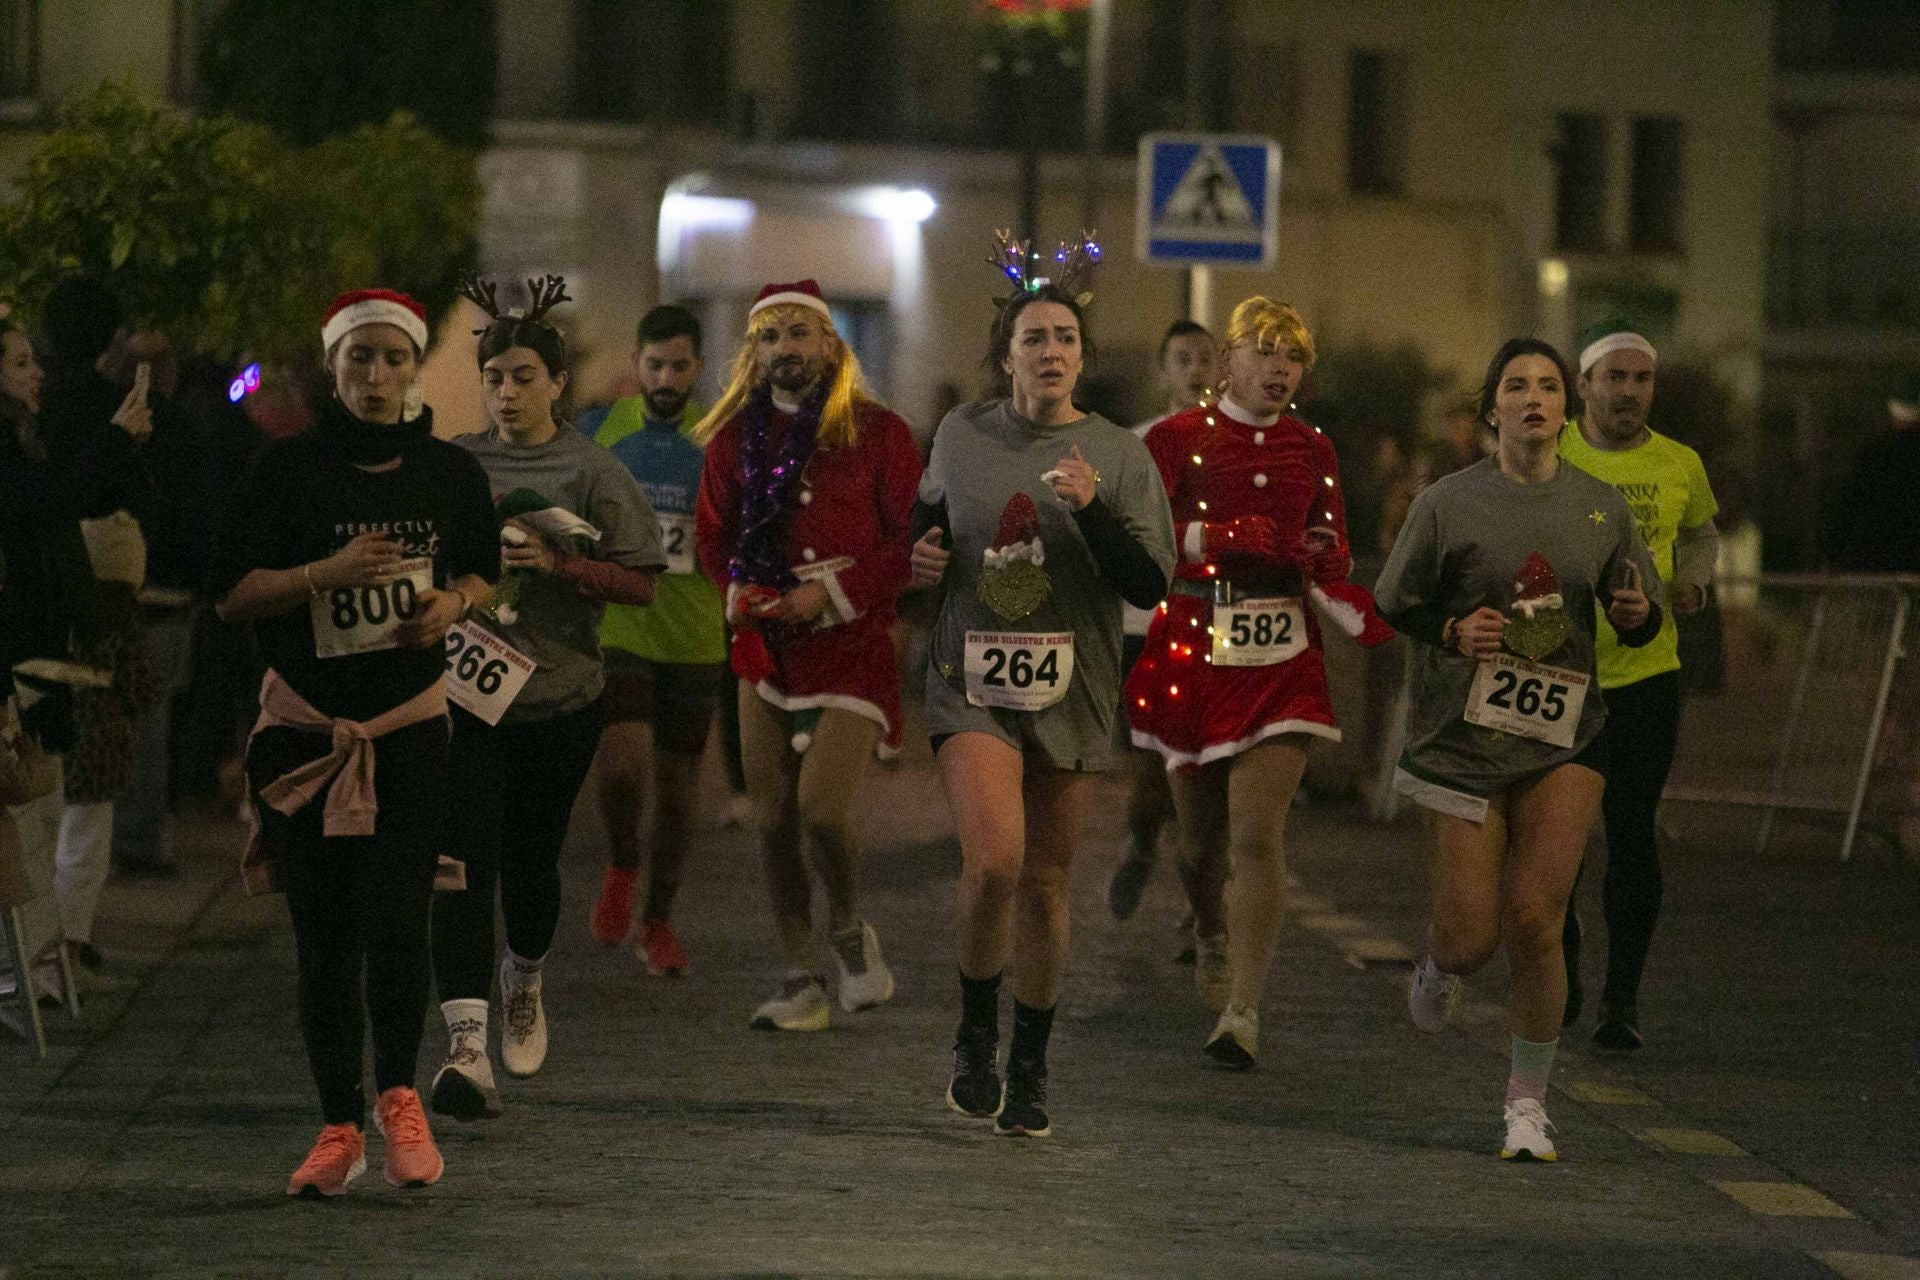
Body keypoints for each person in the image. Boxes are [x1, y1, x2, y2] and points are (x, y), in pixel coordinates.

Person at [212, 288, 497, 1196]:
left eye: (392, 359)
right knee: (325, 936)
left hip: (409, 732)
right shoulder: (284, 472)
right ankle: (338, 1127)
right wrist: (320, 576)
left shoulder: (451, 475)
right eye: (359, 360)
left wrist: (453, 605)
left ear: (415, 368)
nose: (376, 376)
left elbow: (482, 569)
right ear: (332, 368)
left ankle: (401, 1100)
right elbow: (231, 595)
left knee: (397, 921)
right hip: (308, 734)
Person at [912, 234, 1176, 1136]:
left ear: (1082, 357)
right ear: (1006, 356)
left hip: (1072, 686)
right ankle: (974, 1037)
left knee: (1048, 883)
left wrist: (1093, 508)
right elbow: (928, 534)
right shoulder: (961, 434)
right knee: (995, 864)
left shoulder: (1117, 456)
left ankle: (1031, 1063)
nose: (1052, 350)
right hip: (970, 678)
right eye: (1035, 337)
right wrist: (919, 556)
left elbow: (1149, 583)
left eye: (1066, 336)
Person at [1374, 337, 1661, 1162]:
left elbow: (1634, 602)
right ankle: (1438, 966)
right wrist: (1454, 630)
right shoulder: (1447, 503)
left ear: (1566, 408)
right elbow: (1397, 603)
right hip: (1464, 741)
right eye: (1514, 386)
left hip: (1566, 734)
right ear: (1490, 410)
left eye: (1546, 386)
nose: (1532, 399)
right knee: (1472, 939)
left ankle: (1527, 1106)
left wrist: (1638, 614)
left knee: (1536, 916)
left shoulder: (1603, 506)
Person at [1125, 297, 1392, 1068]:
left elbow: (1334, 546)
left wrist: (1319, 559)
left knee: (1255, 831)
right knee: (1200, 843)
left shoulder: (1313, 448)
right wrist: (1220, 536)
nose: (1280, 368)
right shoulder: (1174, 440)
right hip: (1192, 650)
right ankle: (1208, 927)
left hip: (1282, 659)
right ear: (1229, 357)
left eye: (1294, 356)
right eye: (1266, 352)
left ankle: (1244, 1007)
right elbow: (1142, 541)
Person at [429, 275, 664, 1120]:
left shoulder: (590, 467)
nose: (507, 392)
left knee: (529, 864)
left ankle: (524, 977)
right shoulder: (457, 463)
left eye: (525, 376)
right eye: (495, 377)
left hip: (560, 699)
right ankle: (463, 1045)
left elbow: (642, 583)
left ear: (557, 384)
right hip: (464, 698)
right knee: (460, 862)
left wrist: (560, 567)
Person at [692, 279, 920, 1032]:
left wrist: (835, 593)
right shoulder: (730, 440)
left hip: (851, 644)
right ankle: (801, 978)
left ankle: (851, 931)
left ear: (830, 345)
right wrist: (737, 588)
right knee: (773, 817)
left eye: (800, 333)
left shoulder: (879, 433)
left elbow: (907, 544)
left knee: (823, 809)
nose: (785, 349)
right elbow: (711, 538)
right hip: (766, 648)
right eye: (770, 336)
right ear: (752, 354)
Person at [1557, 325, 1718, 1052]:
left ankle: (1621, 1002)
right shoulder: (1552, 448)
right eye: (1614, 378)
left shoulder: (1679, 461)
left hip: (1646, 674)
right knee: (1555, 841)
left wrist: (1691, 578)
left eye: (1642, 379)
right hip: (1556, 671)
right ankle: (1558, 963)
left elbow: (1702, 533)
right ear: (1584, 384)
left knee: (1630, 833)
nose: (1629, 392)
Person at [582, 304, 728, 975]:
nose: (666, 377)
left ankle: (659, 918)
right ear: (635, 364)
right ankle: (621, 861)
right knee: (621, 765)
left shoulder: (720, 440)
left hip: (695, 633)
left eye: (678, 365)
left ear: (697, 368)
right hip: (622, 623)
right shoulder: (600, 432)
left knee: (676, 793)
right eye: (654, 364)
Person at [1107, 318, 1215, 923]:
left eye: (1206, 357)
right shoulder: (1136, 444)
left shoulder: (1243, 443)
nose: (1196, 369)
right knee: (1155, 777)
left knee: (1212, 774)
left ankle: (1207, 914)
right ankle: (1143, 838)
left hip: (1218, 630)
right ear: (1162, 369)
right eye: (1182, 357)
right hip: (1145, 628)